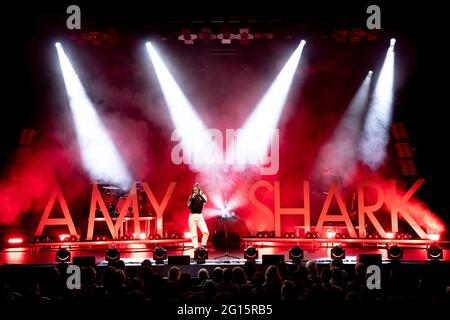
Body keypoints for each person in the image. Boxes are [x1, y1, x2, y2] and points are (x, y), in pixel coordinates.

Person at [187, 182, 209, 248]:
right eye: (193, 190)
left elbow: (205, 201)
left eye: (196, 190)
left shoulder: (203, 196)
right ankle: (195, 248)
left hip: (200, 216)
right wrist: (192, 199)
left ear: (199, 190)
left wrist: (199, 195)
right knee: (194, 234)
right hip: (192, 216)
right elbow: (189, 206)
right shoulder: (191, 197)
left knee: (206, 232)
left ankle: (203, 245)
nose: (194, 191)